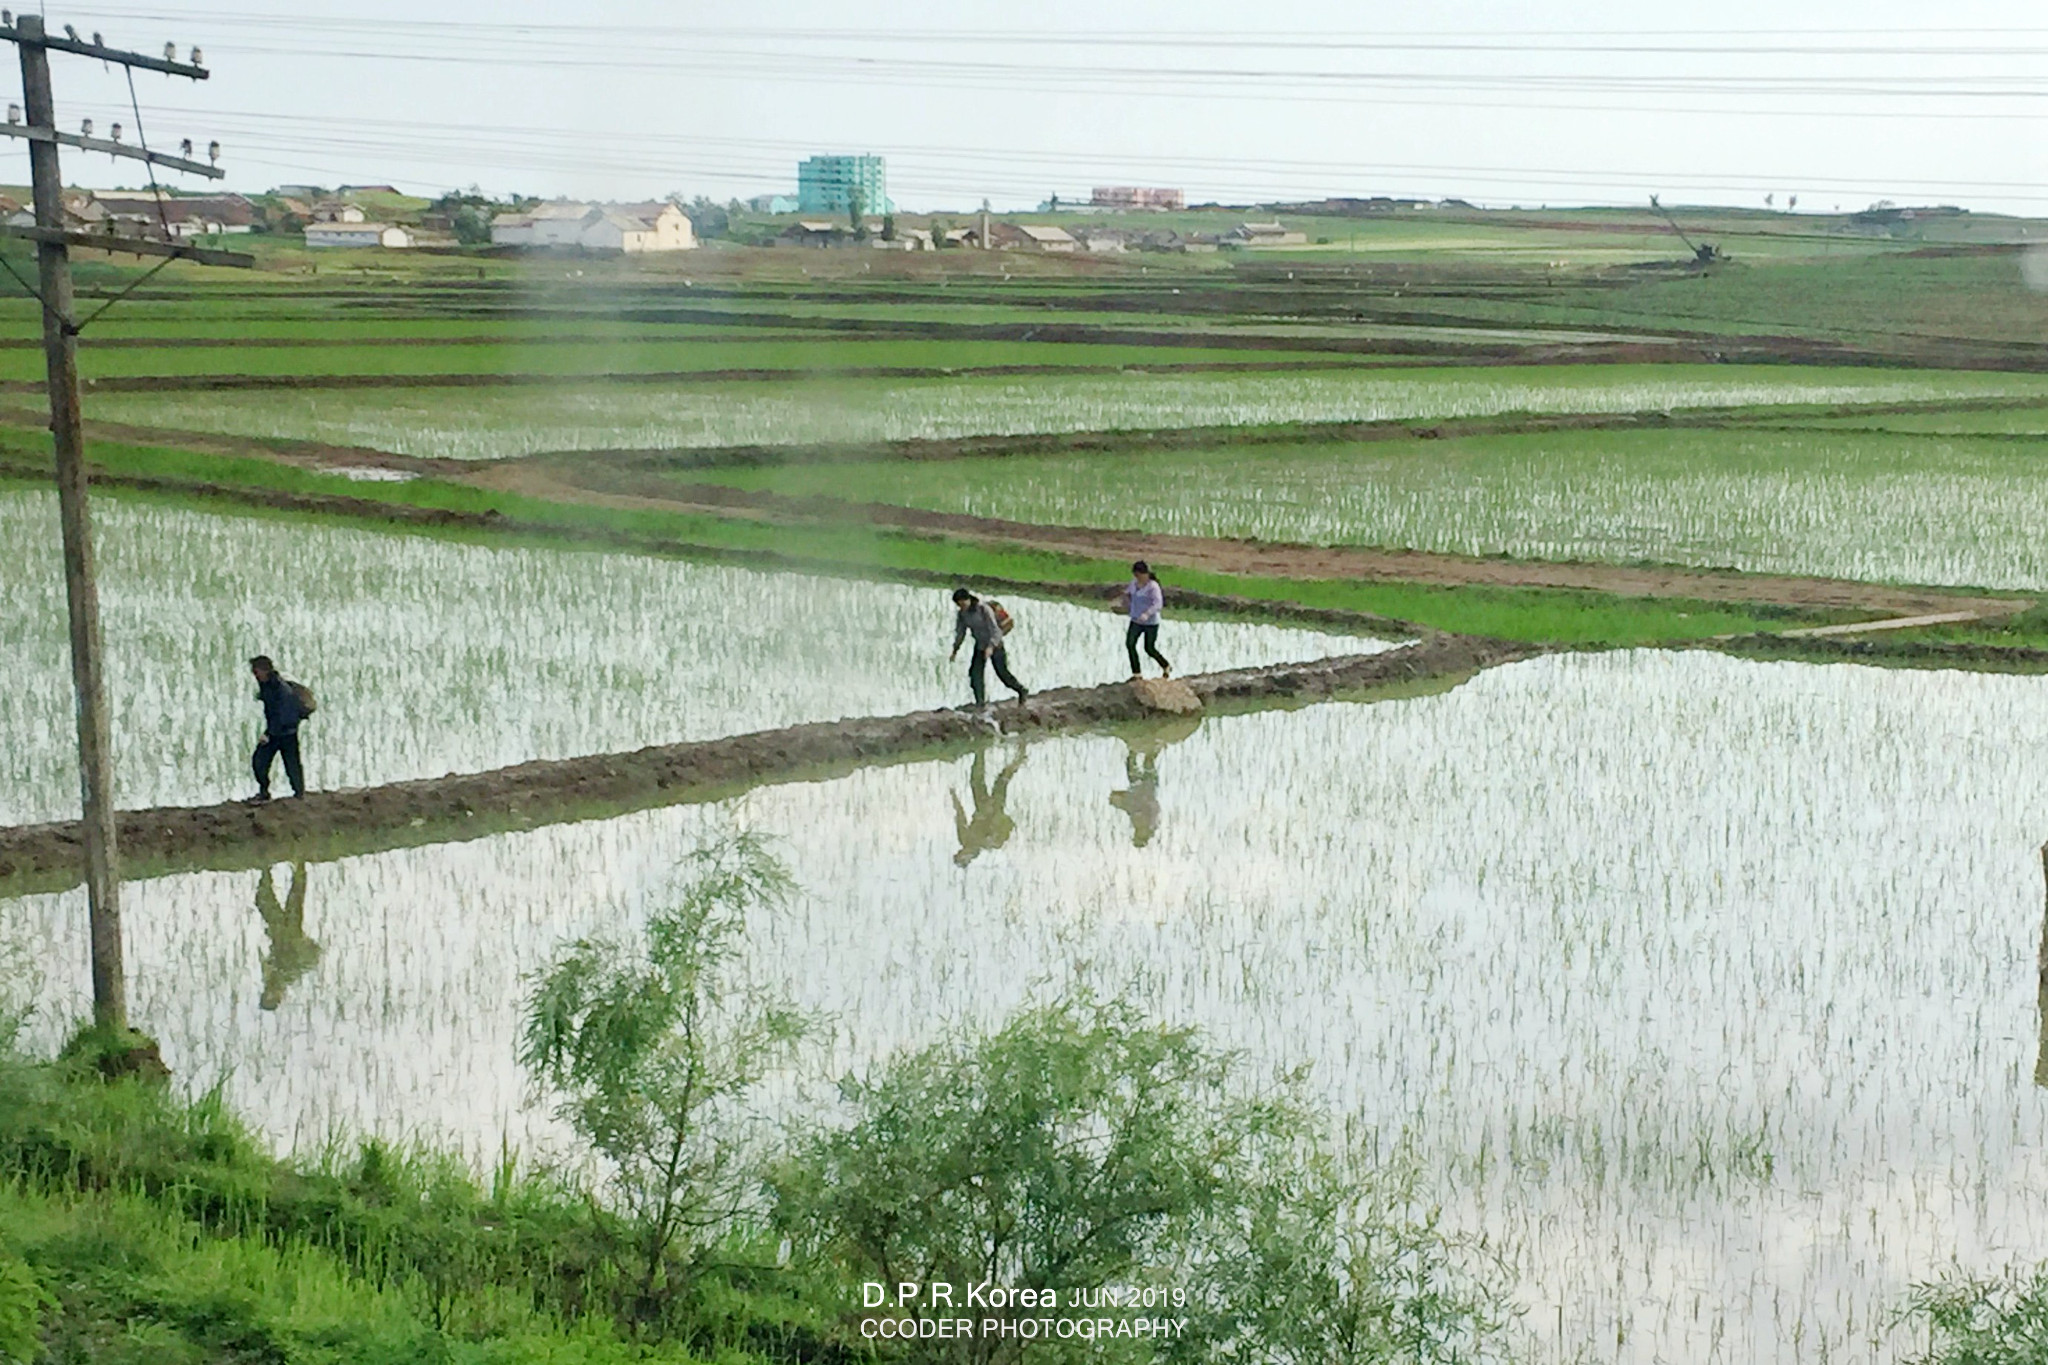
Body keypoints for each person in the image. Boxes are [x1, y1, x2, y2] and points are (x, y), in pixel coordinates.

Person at [949, 588, 1028, 709]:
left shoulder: (983, 609)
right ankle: (980, 702)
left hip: (995, 645)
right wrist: (955, 649)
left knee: (1002, 674)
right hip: (980, 645)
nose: (962, 607)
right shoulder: (962, 614)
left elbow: (995, 631)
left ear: (968, 599)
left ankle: (1021, 690)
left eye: (963, 603)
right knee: (975, 674)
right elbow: (961, 632)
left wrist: (991, 647)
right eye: (959, 605)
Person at [951, 744, 1026, 867]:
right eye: (964, 855)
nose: (963, 851)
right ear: (969, 858)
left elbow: (960, 816)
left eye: (960, 853)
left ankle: (980, 749)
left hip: (981, 806)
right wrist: (994, 814)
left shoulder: (964, 839)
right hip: (994, 809)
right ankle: (1021, 755)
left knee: (976, 780)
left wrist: (954, 797)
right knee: (1002, 779)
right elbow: (1003, 827)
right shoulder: (988, 844)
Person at [247, 655, 305, 802]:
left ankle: (298, 795)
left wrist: (268, 734)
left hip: (285, 732)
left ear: (265, 670)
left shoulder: (281, 689)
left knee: (290, 765)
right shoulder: (267, 685)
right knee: (260, 762)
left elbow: (283, 714)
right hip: (278, 731)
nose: (254, 675)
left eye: (256, 671)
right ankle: (265, 791)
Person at [1116, 560, 1171, 681]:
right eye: (1135, 575)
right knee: (1130, 644)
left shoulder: (1152, 587)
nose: (1137, 577)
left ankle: (1166, 666)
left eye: (1139, 575)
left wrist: (1147, 613)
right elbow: (1128, 595)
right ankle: (1137, 673)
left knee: (1149, 648)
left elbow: (1158, 604)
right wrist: (1122, 604)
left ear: (1145, 574)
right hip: (1136, 620)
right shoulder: (1134, 584)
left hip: (1150, 623)